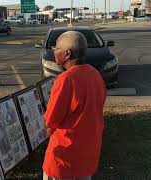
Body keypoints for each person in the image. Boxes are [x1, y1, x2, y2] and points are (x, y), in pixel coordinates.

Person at [42, 31, 107, 180]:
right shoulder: (95, 74)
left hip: (64, 158)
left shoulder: (65, 80)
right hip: (88, 153)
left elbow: (51, 120)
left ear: (67, 54)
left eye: (56, 48)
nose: (53, 51)